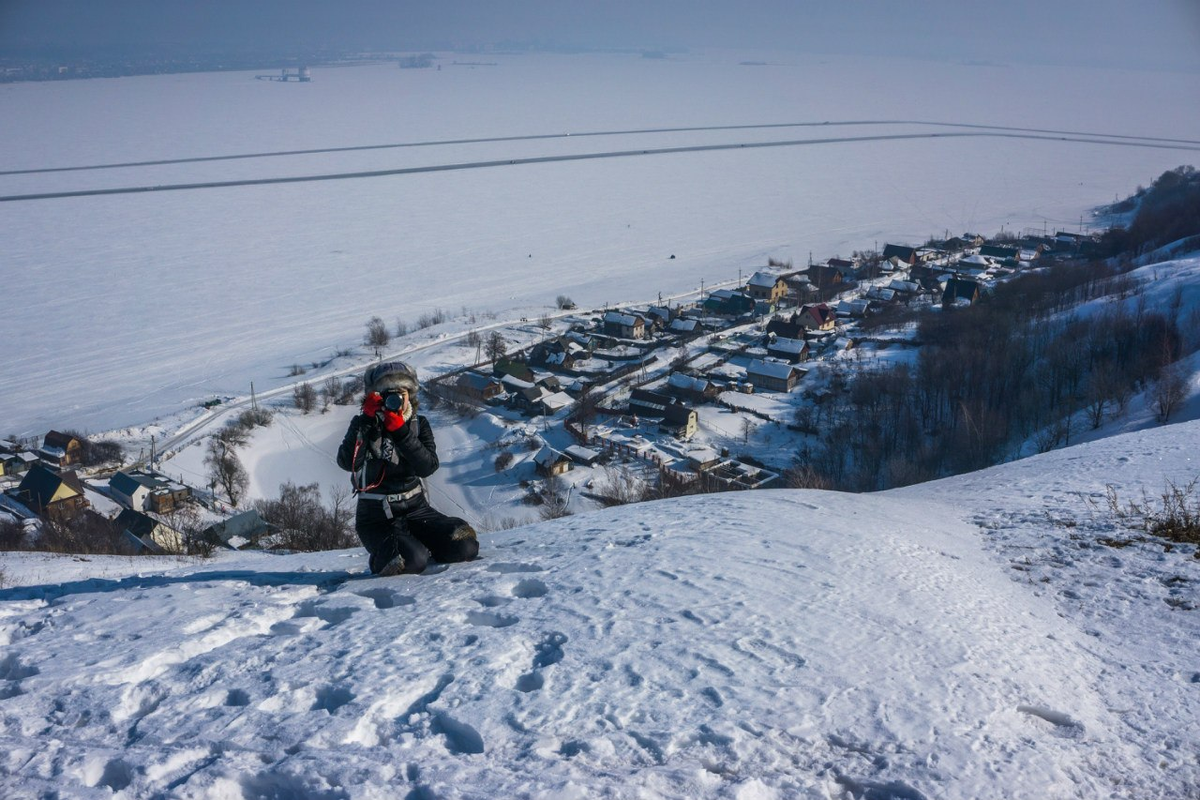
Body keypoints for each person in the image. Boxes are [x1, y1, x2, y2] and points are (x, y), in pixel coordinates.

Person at [337, 361, 478, 576]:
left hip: (417, 509)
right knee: (412, 560)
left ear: (409, 395)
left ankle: (418, 543)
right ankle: (392, 554)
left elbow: (427, 466)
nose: (394, 400)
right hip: (376, 517)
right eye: (386, 394)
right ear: (376, 397)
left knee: (464, 545)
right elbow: (346, 462)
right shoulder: (363, 424)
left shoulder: (418, 425)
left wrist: (401, 432)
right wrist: (366, 422)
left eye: (400, 394)